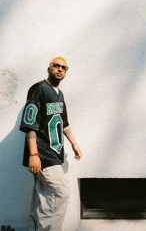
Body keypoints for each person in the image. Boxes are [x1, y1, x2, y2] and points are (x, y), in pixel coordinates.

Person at [20, 57, 82, 231]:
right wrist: (33, 155)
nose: (60, 69)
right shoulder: (39, 88)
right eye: (56, 66)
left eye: (64, 67)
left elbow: (64, 122)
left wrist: (74, 144)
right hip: (42, 152)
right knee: (60, 193)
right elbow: (29, 124)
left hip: (54, 152)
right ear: (49, 68)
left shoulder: (59, 94)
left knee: (44, 197)